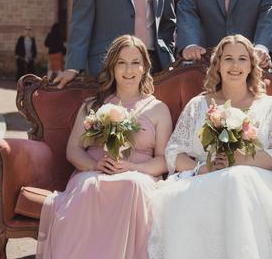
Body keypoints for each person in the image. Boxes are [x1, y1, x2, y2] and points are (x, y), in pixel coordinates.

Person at [147, 35, 272, 259]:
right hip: (204, 176)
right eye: (228, 59)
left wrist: (239, 161)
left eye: (242, 59)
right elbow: (174, 151)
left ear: (251, 66)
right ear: (218, 65)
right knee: (198, 191)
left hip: (254, 179)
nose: (235, 66)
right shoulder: (198, 105)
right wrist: (202, 169)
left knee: (235, 179)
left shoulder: (268, 106)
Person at [36, 35, 173, 259]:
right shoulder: (93, 105)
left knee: (131, 185)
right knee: (90, 186)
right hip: (94, 172)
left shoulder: (158, 109)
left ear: (144, 67)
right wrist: (94, 165)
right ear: (112, 67)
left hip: (139, 176)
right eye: (121, 62)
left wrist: (131, 167)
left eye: (135, 62)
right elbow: (73, 150)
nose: (128, 70)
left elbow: (163, 160)